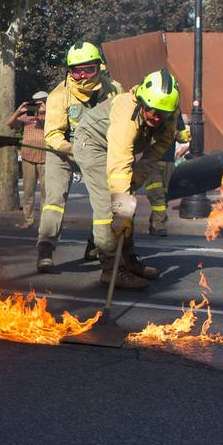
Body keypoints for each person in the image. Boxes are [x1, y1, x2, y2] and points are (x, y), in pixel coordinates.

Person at [73, 70, 181, 291]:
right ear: (141, 100)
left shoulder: (168, 114)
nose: (155, 117)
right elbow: (119, 164)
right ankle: (112, 270)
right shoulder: (126, 113)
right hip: (93, 144)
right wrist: (121, 207)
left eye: (162, 114)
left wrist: (137, 178)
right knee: (108, 206)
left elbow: (159, 147)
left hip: (117, 150)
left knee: (127, 203)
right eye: (150, 110)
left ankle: (128, 260)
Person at [36, 42, 124, 273]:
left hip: (98, 150)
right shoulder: (59, 95)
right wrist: (71, 149)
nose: (82, 76)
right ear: (69, 71)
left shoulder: (114, 90)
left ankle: (97, 244)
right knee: (54, 200)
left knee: (103, 201)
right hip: (64, 151)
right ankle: (45, 248)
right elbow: (52, 134)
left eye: (88, 70)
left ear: (99, 68)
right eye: (76, 71)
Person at [8, 91, 48, 228]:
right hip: (28, 156)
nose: (37, 105)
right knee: (28, 190)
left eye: (41, 102)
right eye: (35, 102)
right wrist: (19, 110)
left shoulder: (51, 116)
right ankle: (28, 220)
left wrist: (45, 111)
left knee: (46, 192)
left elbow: (54, 125)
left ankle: (44, 222)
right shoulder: (27, 116)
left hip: (46, 157)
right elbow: (10, 123)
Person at [147, 112, 190, 236]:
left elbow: (182, 136)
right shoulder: (150, 107)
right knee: (157, 194)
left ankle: (154, 222)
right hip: (151, 160)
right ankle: (159, 226)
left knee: (164, 195)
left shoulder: (176, 113)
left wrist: (181, 135)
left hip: (169, 161)